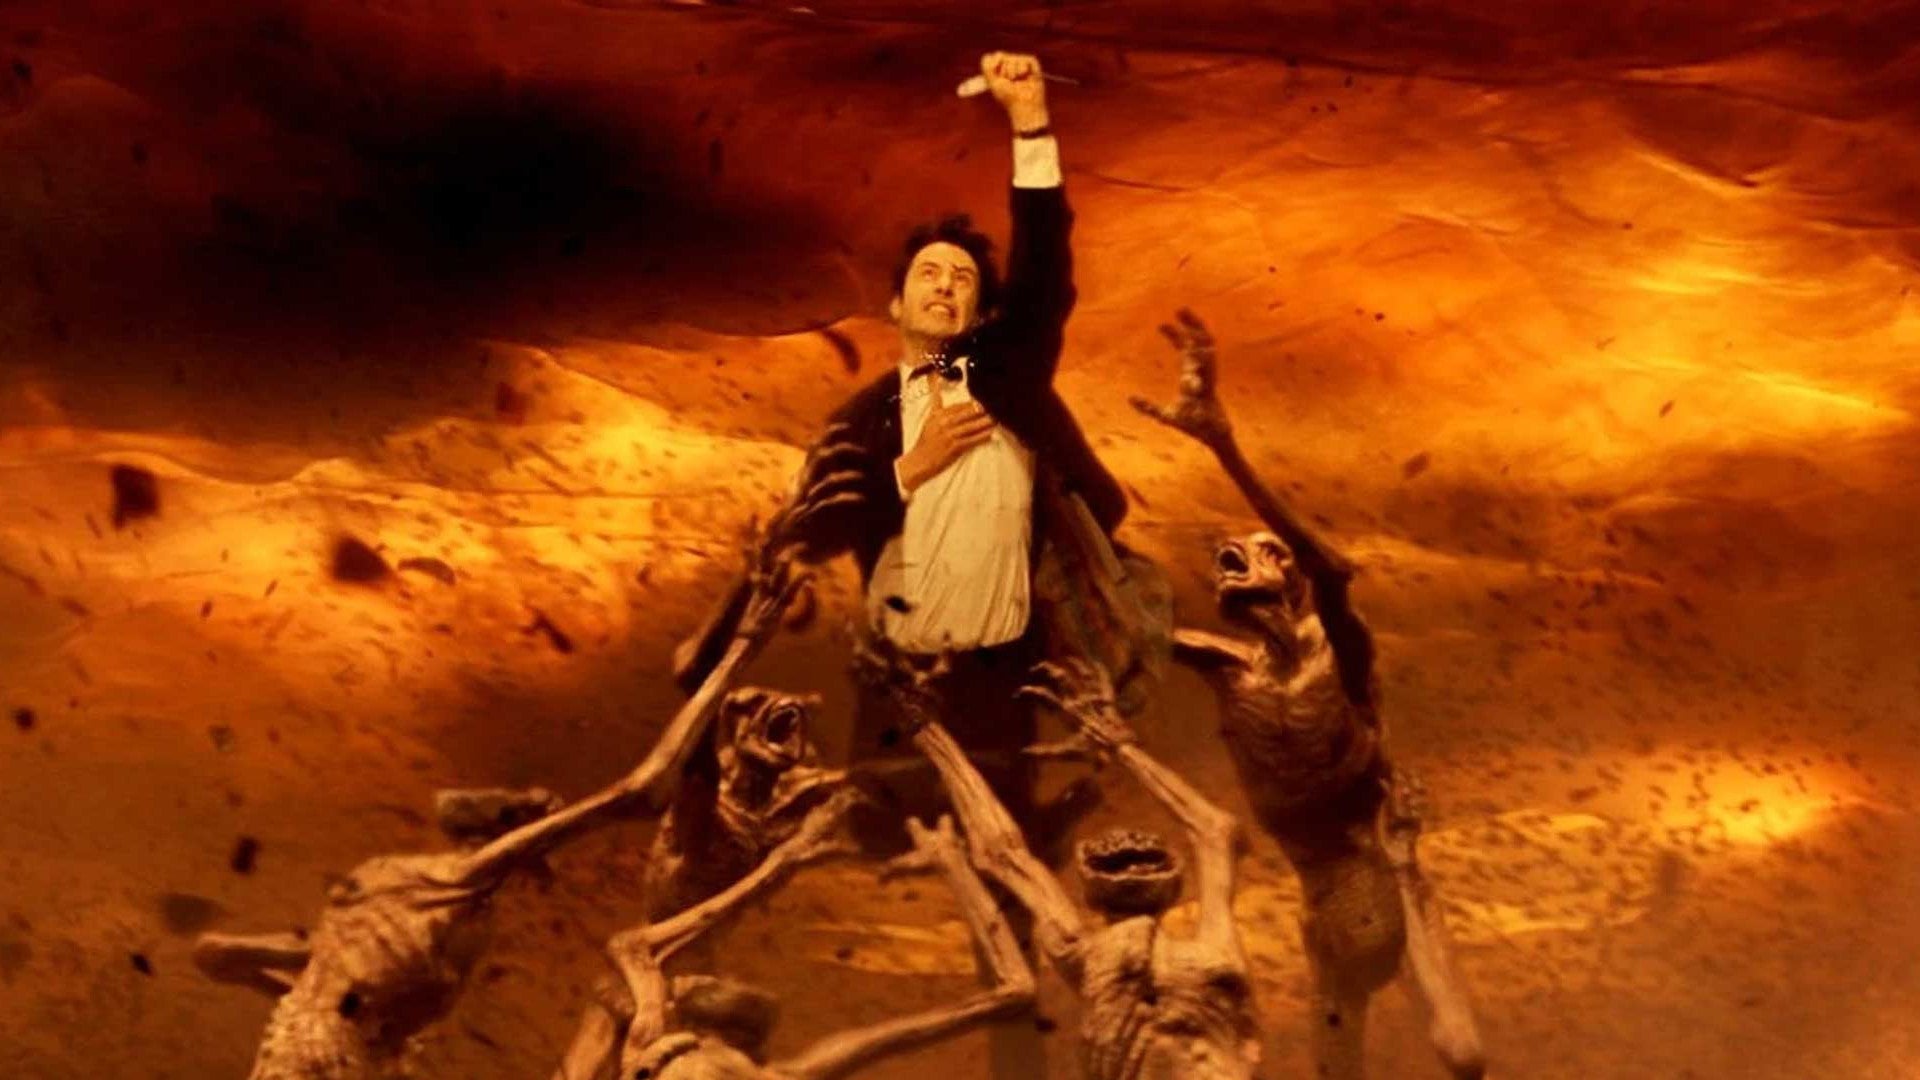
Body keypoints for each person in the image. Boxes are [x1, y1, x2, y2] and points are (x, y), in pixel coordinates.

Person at [675, 50, 1165, 860]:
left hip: (1005, 666)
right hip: (903, 673)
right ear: (896, 304)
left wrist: (1030, 122)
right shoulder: (862, 420)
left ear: (984, 311)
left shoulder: (1008, 377)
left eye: (961, 279)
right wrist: (911, 469)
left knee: (1002, 848)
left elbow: (1046, 267)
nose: (943, 286)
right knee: (886, 839)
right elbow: (819, 532)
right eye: (928, 275)